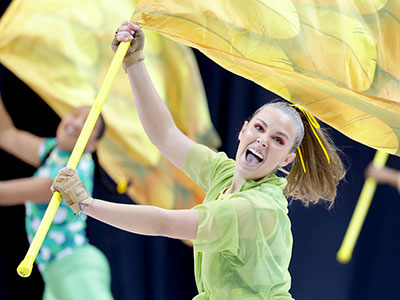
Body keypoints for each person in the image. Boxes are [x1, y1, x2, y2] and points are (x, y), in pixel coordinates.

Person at [52, 21, 346, 300]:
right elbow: (165, 135)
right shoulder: (224, 173)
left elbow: (164, 223)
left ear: (287, 160)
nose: (263, 140)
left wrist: (85, 204)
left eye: (278, 140)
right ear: (243, 130)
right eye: (259, 128)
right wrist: (134, 62)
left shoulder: (257, 208)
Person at [0, 97, 114, 300]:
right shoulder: (53, 151)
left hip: (75, 268)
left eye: (87, 125)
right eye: (75, 114)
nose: (77, 123)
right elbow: (6, 134)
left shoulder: (73, 173)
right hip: (54, 273)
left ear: (93, 145)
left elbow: (5, 194)